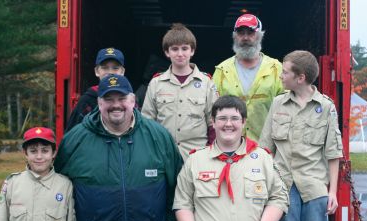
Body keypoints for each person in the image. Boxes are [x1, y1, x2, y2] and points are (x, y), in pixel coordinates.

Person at [54, 74, 183, 221]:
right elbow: (56, 186)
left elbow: (179, 183)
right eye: (108, 99)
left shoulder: (158, 136)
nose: (116, 105)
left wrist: (172, 219)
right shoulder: (75, 140)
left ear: (133, 101)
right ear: (99, 102)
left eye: (122, 98)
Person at [173, 95, 289, 221]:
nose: (228, 124)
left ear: (243, 122)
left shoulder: (263, 158)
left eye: (235, 118)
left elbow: (278, 198)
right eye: (222, 118)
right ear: (212, 122)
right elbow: (183, 203)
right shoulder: (195, 161)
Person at [259, 50, 343, 221]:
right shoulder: (278, 103)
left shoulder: (325, 107)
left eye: (285, 72)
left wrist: (332, 192)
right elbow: (265, 149)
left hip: (314, 189)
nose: (281, 76)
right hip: (283, 188)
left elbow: (333, 153)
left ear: (301, 77)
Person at [0, 127, 78, 221]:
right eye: (33, 151)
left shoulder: (65, 186)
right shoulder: (12, 184)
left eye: (45, 150)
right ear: (25, 153)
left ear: (54, 153)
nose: (39, 156)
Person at [142, 23, 218, 161]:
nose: (180, 54)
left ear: (192, 51)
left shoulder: (207, 83)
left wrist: (210, 154)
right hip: (163, 155)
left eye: (185, 48)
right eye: (174, 49)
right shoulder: (156, 83)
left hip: (197, 156)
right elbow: (147, 123)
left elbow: (213, 123)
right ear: (167, 52)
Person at [212, 14, 283, 141]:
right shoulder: (222, 70)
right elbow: (213, 111)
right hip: (230, 148)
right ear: (234, 36)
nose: (245, 38)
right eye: (240, 33)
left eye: (251, 32)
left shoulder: (276, 69)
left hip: (266, 148)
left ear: (260, 35)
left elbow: (287, 110)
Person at [65, 47, 125, 132]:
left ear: (122, 72)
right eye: (105, 68)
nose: (110, 72)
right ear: (97, 71)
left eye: (115, 68)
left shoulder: (130, 100)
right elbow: (71, 137)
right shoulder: (86, 101)